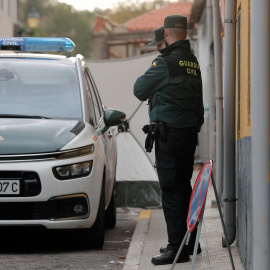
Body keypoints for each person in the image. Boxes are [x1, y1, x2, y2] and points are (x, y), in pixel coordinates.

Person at [134, 15, 204, 265]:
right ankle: (191, 241)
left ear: (165, 33)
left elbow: (139, 89)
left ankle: (177, 249)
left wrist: (156, 90)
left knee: (172, 191)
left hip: (169, 134)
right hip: (187, 134)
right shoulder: (192, 61)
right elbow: (198, 104)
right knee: (184, 188)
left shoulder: (164, 62)